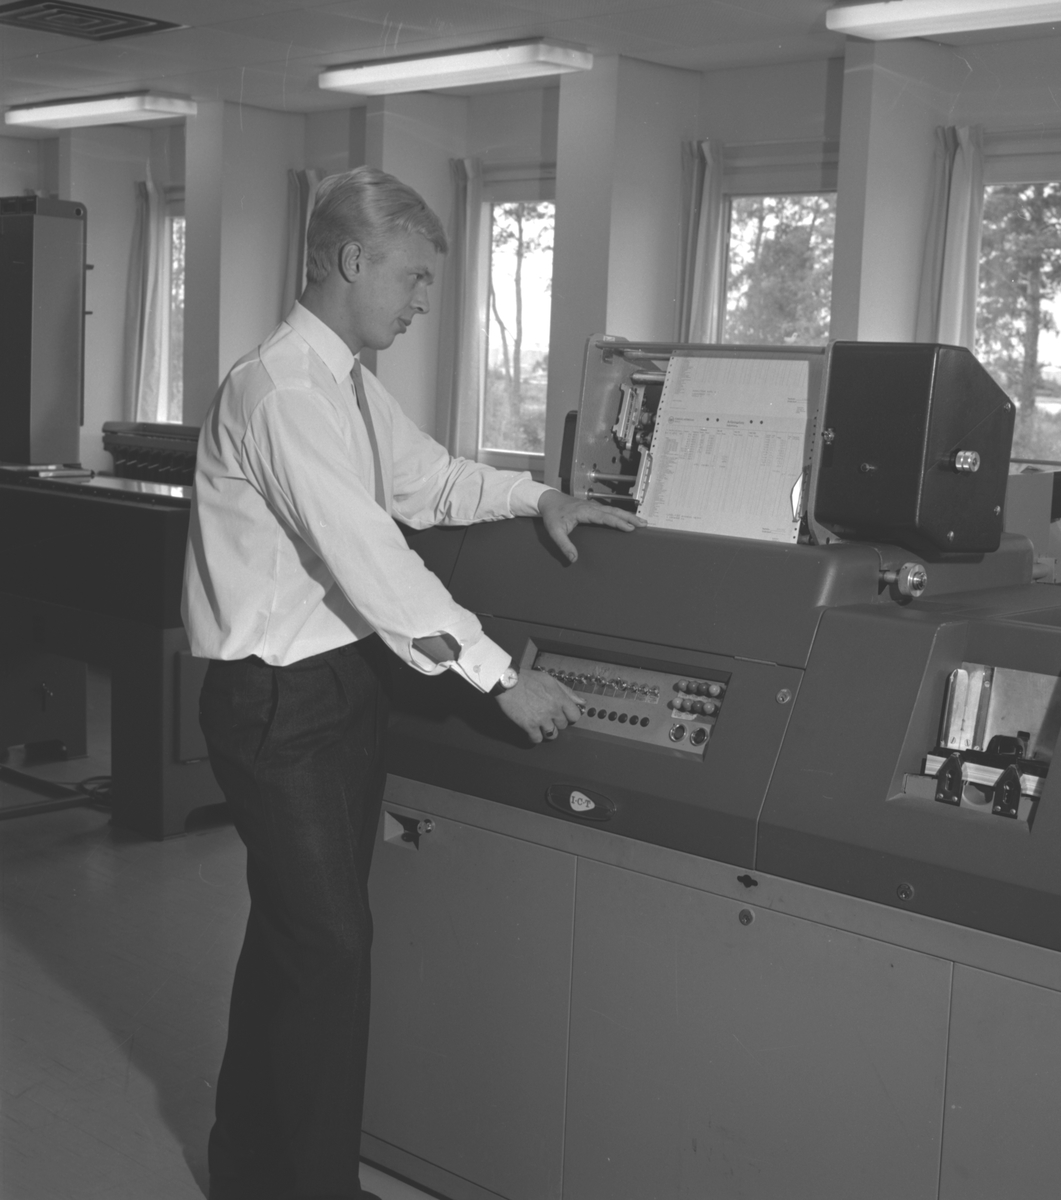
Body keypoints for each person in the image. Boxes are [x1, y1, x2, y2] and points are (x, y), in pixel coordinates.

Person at [182, 165, 643, 1200]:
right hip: (276, 702)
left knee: (296, 940)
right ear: (353, 260)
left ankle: (248, 1172)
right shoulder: (282, 391)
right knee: (330, 949)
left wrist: (541, 496)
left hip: (340, 686)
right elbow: (371, 557)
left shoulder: (344, 383)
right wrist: (497, 678)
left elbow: (427, 481)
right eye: (415, 276)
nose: (424, 300)